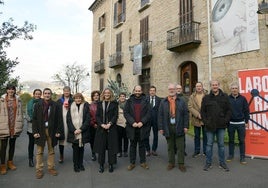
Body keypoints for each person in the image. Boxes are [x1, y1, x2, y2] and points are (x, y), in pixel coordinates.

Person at [201, 80, 232, 171]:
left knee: (221, 145)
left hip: (221, 125)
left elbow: (229, 110)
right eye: (213, 85)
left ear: (218, 86)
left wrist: (225, 120)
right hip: (210, 126)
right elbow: (203, 112)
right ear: (211, 86)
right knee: (209, 144)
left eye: (216, 85)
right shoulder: (206, 98)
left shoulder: (225, 97)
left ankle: (222, 163)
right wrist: (206, 122)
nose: (214, 86)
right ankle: (208, 163)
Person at [32, 88, 63, 179]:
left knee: (51, 150)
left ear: (51, 94)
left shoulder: (55, 105)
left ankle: (51, 167)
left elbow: (59, 119)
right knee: (39, 151)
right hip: (40, 130)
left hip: (52, 130)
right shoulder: (38, 105)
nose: (47, 95)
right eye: (45, 93)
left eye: (49, 93)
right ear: (43, 94)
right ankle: (39, 169)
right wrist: (35, 131)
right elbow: (34, 119)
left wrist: (58, 131)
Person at [158, 83, 189, 172]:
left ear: (176, 90)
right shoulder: (163, 102)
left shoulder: (181, 101)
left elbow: (186, 114)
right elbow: (160, 115)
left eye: (173, 89)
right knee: (170, 147)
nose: (171, 90)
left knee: (180, 147)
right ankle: (171, 163)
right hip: (168, 127)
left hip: (179, 126)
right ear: (168, 91)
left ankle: (181, 164)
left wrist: (186, 126)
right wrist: (160, 127)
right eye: (170, 89)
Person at [124, 85, 151, 171]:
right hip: (132, 127)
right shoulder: (129, 101)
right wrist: (132, 122)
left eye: (139, 91)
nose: (137, 92)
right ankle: (132, 163)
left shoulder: (146, 101)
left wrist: (142, 122)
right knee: (132, 146)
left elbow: (149, 113)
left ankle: (143, 162)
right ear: (133, 91)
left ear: (141, 91)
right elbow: (126, 113)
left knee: (142, 145)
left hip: (142, 127)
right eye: (136, 91)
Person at [93, 88, 118, 173]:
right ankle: (101, 165)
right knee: (101, 147)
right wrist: (102, 124)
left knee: (111, 147)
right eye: (105, 93)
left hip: (112, 128)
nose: (107, 94)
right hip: (101, 129)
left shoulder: (114, 103)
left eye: (108, 93)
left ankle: (111, 164)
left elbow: (115, 115)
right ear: (103, 94)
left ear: (110, 94)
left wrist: (110, 124)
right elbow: (97, 116)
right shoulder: (99, 104)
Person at [0, 84, 24, 175]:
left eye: (12, 89)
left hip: (14, 125)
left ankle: (10, 162)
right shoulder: (1, 100)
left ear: (14, 90)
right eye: (9, 89)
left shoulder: (18, 100)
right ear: (6, 90)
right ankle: (2, 165)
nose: (11, 91)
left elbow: (21, 113)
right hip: (4, 125)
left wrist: (21, 123)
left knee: (12, 144)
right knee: (3, 146)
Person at [67, 93, 90, 172]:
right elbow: (68, 120)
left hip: (83, 132)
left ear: (82, 98)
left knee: (81, 149)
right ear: (74, 99)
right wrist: (74, 130)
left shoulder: (86, 106)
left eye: (79, 98)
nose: (78, 99)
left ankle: (81, 164)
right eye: (76, 98)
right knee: (76, 149)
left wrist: (81, 129)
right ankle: (75, 165)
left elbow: (87, 119)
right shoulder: (71, 107)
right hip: (74, 133)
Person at [227, 82, 249, 164]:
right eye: (233, 88)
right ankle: (230, 155)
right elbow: (225, 110)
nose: (234, 90)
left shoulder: (243, 98)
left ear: (238, 89)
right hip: (231, 123)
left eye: (236, 88)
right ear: (231, 89)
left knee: (242, 141)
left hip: (241, 123)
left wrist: (246, 121)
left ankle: (242, 157)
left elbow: (246, 110)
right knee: (231, 140)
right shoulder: (228, 98)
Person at [188, 82, 207, 157]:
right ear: (195, 87)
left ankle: (205, 151)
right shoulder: (192, 96)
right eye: (197, 86)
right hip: (196, 119)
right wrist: (197, 114)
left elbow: (210, 106)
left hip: (205, 119)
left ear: (202, 87)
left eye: (200, 86)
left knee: (206, 136)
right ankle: (197, 151)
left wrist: (203, 114)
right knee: (197, 136)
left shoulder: (207, 95)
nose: (198, 87)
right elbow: (190, 106)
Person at [26, 89, 42, 167]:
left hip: (40, 127)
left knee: (40, 143)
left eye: (39, 94)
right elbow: (27, 115)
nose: (38, 95)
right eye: (36, 94)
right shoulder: (29, 103)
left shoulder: (43, 103)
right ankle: (30, 159)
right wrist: (33, 120)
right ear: (33, 94)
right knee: (31, 143)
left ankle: (39, 158)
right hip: (31, 127)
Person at [56, 86, 73, 163]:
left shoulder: (73, 100)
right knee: (61, 140)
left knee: (73, 138)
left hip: (71, 122)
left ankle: (75, 155)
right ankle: (61, 155)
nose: (66, 92)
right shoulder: (59, 101)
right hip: (61, 122)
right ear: (63, 92)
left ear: (70, 92)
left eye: (68, 91)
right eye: (65, 91)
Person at [144, 86, 161, 156]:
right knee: (146, 135)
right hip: (147, 120)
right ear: (149, 91)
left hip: (155, 120)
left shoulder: (159, 100)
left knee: (156, 135)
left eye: (153, 90)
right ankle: (147, 150)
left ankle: (154, 150)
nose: (152, 92)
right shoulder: (145, 99)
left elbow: (160, 111)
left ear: (155, 91)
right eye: (151, 90)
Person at [176, 84, 188, 156]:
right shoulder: (172, 97)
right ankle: (175, 149)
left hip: (182, 120)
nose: (178, 89)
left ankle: (182, 150)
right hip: (174, 120)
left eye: (180, 88)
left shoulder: (185, 98)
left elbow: (187, 110)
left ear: (182, 89)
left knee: (182, 137)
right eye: (177, 88)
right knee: (174, 136)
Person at [89, 90, 100, 161]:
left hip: (100, 125)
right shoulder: (89, 106)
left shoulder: (102, 104)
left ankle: (99, 152)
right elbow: (88, 116)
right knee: (92, 140)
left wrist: (99, 124)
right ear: (92, 97)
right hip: (92, 126)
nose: (96, 96)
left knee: (99, 140)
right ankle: (93, 153)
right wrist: (93, 123)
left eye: (97, 95)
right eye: (94, 95)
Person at [117, 92, 129, 158]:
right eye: (121, 96)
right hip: (119, 123)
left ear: (125, 97)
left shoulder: (128, 104)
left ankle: (125, 151)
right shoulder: (116, 104)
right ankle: (119, 151)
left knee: (126, 138)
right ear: (119, 97)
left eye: (123, 96)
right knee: (119, 138)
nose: (122, 97)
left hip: (126, 123)